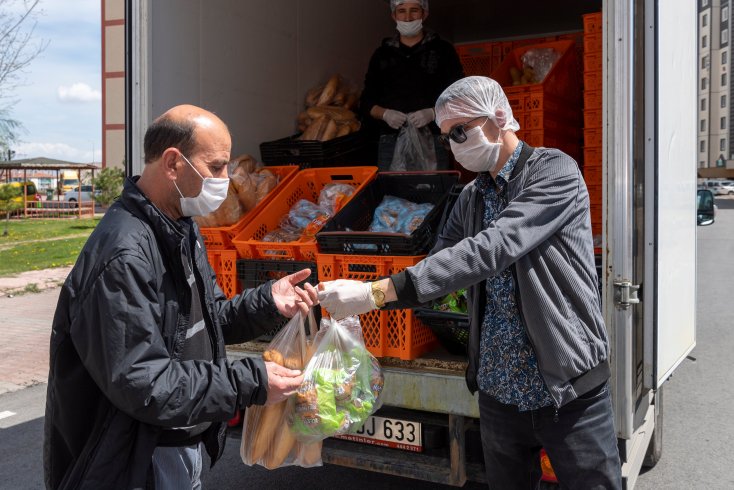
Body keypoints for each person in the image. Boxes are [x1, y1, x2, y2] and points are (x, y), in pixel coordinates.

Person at [319, 76, 622, 489]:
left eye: (460, 130)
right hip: (499, 391)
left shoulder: (554, 172)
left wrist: (375, 293)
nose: (455, 144)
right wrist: (352, 290)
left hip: (567, 389)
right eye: (447, 136)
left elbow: (492, 248)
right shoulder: (471, 198)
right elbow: (444, 265)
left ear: (499, 116)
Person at [43, 104, 319, 490]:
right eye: (217, 166)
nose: (225, 179)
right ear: (173, 163)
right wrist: (250, 381)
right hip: (134, 462)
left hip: (172, 445)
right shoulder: (124, 255)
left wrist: (268, 302)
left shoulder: (179, 228)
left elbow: (206, 320)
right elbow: (145, 383)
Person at [359, 0, 464, 170]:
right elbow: (366, 102)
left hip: (435, 140)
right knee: (392, 194)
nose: (407, 17)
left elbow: (459, 95)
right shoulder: (382, 55)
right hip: (390, 142)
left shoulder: (443, 51)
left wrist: (433, 113)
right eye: (401, 11)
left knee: (433, 192)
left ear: (424, 13)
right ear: (394, 15)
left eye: (414, 10)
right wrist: (385, 114)